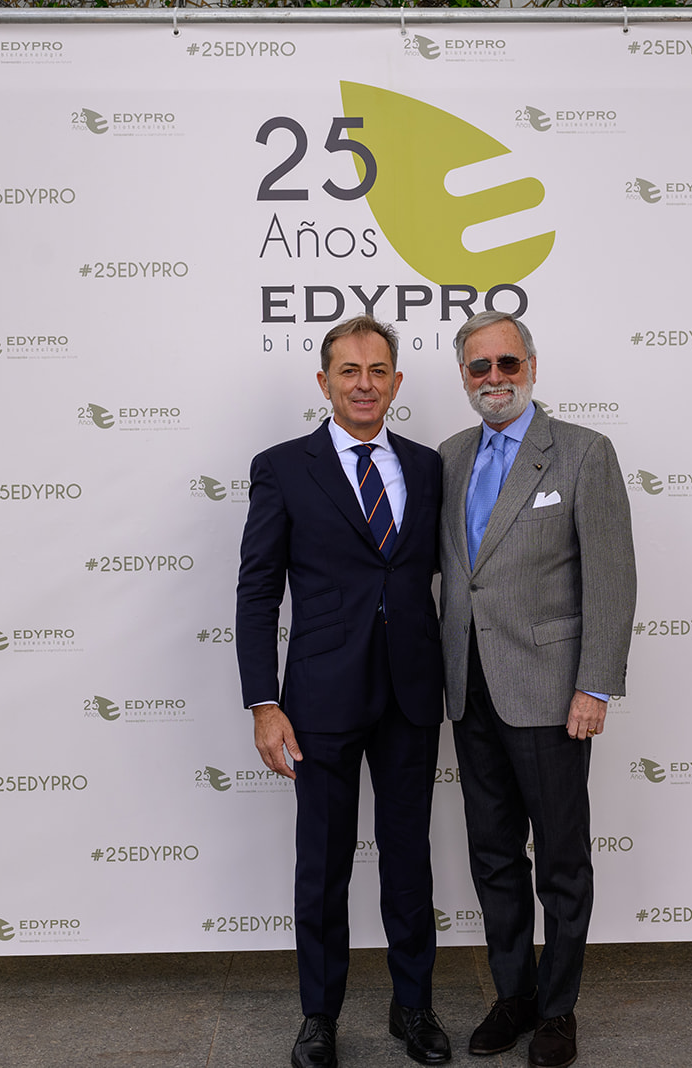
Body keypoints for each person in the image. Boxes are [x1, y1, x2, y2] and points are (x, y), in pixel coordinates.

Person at [235, 315, 451, 1068]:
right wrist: (264, 702)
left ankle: (413, 1006)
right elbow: (258, 591)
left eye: (378, 370)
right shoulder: (282, 467)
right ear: (324, 382)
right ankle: (319, 1016)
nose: (365, 384)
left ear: (397, 381)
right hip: (319, 700)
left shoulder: (428, 467)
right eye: (350, 371)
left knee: (409, 859)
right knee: (322, 864)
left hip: (411, 694)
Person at [437, 311, 636, 1068]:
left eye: (507, 363)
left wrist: (596, 686)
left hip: (552, 694)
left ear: (530, 366)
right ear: (464, 376)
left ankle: (557, 1009)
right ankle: (513, 995)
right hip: (470, 691)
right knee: (493, 856)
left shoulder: (584, 452)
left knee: (559, 861)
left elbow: (612, 579)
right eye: (479, 366)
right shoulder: (449, 457)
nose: (495, 378)